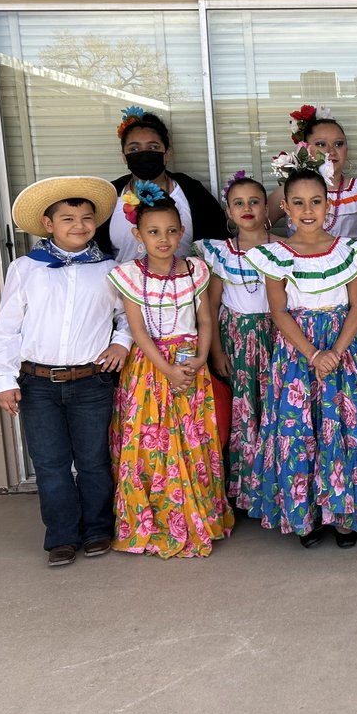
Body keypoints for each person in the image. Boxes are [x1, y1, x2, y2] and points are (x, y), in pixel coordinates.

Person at [245, 160, 357, 548]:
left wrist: (335, 352)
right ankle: (307, 514)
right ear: (285, 208)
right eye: (298, 202)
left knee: (347, 428)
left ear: (328, 206)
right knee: (300, 430)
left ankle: (345, 515)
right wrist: (314, 355)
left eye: (316, 201)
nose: (307, 210)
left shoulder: (347, 251)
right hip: (298, 354)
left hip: (343, 351)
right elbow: (279, 311)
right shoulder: (275, 254)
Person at [0, 177, 130, 567]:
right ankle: (62, 536)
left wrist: (121, 342)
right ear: (48, 224)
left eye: (87, 218)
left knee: (93, 460)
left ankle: (98, 529)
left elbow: (128, 317)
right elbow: (7, 329)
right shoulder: (25, 269)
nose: (79, 225)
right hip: (37, 382)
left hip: (91, 381)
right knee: (50, 463)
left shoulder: (110, 269)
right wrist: (3, 379)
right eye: (68, 219)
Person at [107, 183, 233, 558]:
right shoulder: (130, 275)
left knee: (193, 441)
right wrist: (167, 369)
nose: (163, 239)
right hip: (149, 369)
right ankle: (155, 520)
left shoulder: (196, 270)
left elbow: (205, 319)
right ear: (138, 235)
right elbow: (138, 331)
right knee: (150, 444)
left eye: (171, 231)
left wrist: (200, 358)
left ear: (181, 232)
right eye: (154, 232)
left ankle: (196, 515)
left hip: (191, 364)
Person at [193, 172, 276, 510]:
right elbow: (210, 307)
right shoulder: (221, 253)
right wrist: (215, 352)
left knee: (275, 408)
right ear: (228, 211)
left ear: (267, 207)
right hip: (238, 340)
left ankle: (275, 485)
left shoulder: (284, 247)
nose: (247, 208)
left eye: (254, 201)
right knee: (244, 411)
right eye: (238, 203)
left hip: (278, 337)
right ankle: (245, 491)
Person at [98, 107, 225, 261]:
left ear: (167, 154)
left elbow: (218, 246)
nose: (144, 154)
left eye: (153, 147)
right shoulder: (109, 196)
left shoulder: (193, 193)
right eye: (134, 148)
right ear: (124, 157)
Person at [266, 105, 357, 240]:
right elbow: (254, 232)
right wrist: (287, 245)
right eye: (321, 144)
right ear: (304, 148)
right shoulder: (288, 191)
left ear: (346, 150)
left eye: (338, 144)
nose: (331, 151)